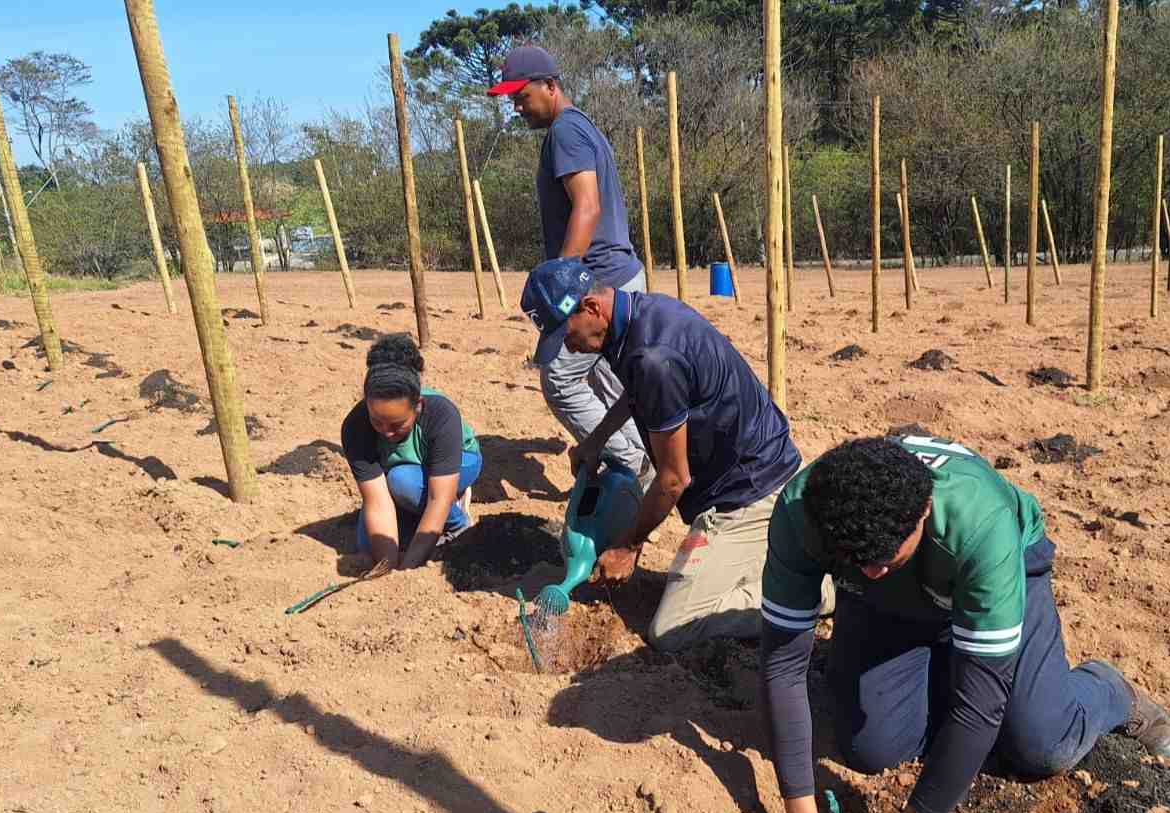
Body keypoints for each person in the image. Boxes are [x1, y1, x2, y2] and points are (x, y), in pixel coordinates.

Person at [760, 435, 1170, 813]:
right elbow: (782, 664)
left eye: (885, 558)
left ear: (924, 512)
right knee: (874, 749)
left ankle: (1107, 689)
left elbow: (979, 707)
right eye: (856, 559)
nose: (871, 570)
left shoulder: (983, 526)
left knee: (1041, 744)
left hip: (998, 574)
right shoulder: (802, 512)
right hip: (886, 608)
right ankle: (947, 653)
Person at [522, 257, 826, 651]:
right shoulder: (638, 318)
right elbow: (640, 393)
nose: (568, 343)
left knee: (671, 629)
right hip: (747, 467)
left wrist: (630, 545)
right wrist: (595, 440)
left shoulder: (652, 357)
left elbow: (672, 479)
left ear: (592, 307)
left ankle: (811, 593)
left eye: (566, 331)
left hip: (750, 491)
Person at [488, 45, 652, 486]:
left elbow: (587, 207)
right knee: (605, 379)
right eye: (512, 100)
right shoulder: (580, 128)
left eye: (522, 97)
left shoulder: (565, 132)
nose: (517, 107)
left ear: (550, 86)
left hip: (597, 279)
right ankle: (644, 461)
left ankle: (632, 462)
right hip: (616, 274)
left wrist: (564, 279)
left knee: (560, 378)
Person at [340, 334, 481, 573]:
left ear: (418, 406)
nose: (386, 432)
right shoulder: (355, 426)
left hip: (459, 461)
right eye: (378, 422)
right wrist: (387, 565)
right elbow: (376, 501)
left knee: (400, 481)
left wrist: (408, 568)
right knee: (367, 546)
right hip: (403, 470)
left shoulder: (441, 414)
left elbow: (438, 500)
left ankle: (457, 521)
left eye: (396, 425)